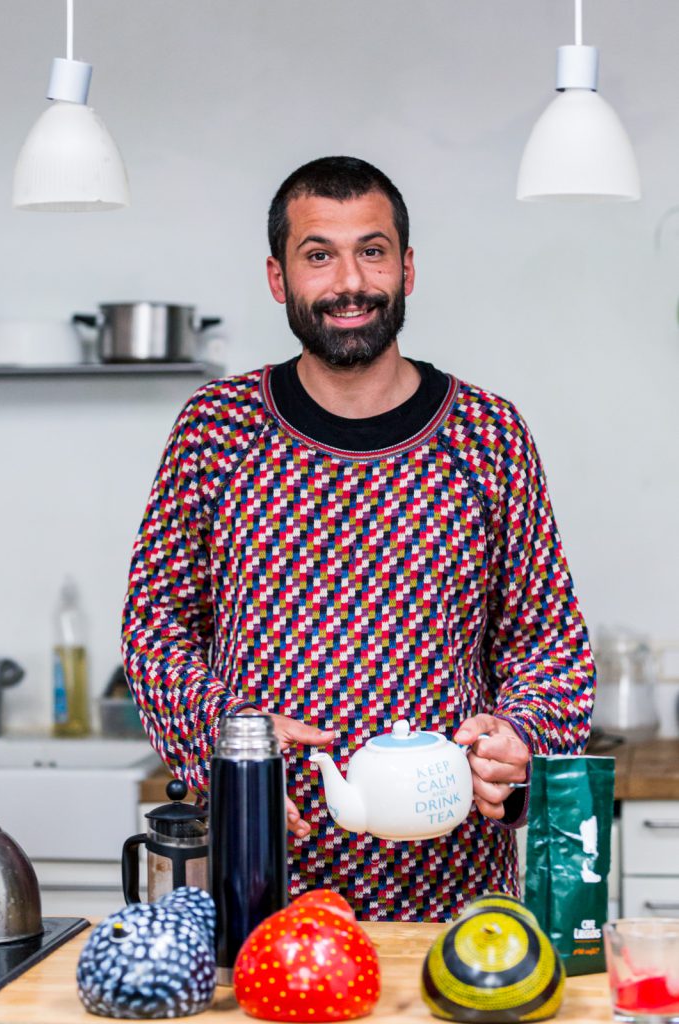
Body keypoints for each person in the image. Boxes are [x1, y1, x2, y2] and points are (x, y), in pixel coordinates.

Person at [122, 155, 595, 921]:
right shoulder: (216, 429)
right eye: (318, 255)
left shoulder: (488, 434)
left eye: (371, 251)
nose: (349, 282)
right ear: (277, 277)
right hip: (263, 882)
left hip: (455, 898)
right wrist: (229, 743)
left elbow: (547, 643)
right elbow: (157, 629)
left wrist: (519, 739)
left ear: (406, 267)